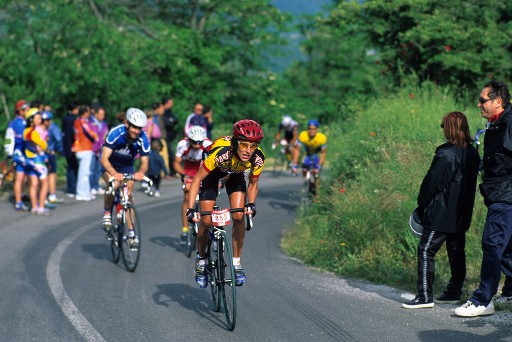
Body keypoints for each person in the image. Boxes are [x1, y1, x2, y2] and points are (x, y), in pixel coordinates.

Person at [402, 111, 480, 309]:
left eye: (444, 125)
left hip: (441, 214)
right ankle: (454, 292)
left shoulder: (446, 154)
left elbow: (432, 184)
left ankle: (425, 296)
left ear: (450, 128)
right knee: (456, 252)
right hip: (461, 214)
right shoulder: (472, 153)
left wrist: (421, 204)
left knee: (426, 250)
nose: (442, 129)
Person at [454, 80, 512, 317]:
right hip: (499, 193)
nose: (478, 104)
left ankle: (482, 300)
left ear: (498, 101)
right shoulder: (496, 124)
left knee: (492, 243)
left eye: (482, 100)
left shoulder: (509, 122)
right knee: (507, 250)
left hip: (506, 195)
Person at [187, 119, 264, 288]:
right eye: (244, 145)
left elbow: (253, 183)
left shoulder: (258, 158)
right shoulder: (221, 152)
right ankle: (201, 261)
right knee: (206, 221)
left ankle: (236, 264)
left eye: (253, 146)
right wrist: (191, 209)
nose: (248, 151)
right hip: (212, 174)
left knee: (238, 215)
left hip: (235, 174)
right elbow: (197, 180)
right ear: (236, 142)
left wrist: (251, 203)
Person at [100, 108, 150, 248]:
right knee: (114, 185)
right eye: (134, 127)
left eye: (140, 128)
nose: (137, 131)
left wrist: (140, 172)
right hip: (109, 164)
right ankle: (106, 213)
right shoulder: (116, 133)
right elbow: (104, 159)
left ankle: (131, 232)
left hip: (126, 166)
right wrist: (113, 173)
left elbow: (145, 163)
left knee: (128, 195)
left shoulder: (143, 138)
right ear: (127, 124)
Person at [173, 125, 212, 245]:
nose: (196, 145)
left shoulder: (208, 145)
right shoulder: (182, 145)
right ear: (189, 140)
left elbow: (213, 165)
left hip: (203, 169)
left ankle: (208, 226)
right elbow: (176, 163)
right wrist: (182, 174)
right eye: (194, 142)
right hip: (189, 171)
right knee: (187, 196)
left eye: (199, 142)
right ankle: (185, 230)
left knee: (208, 197)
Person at [4, 99, 30, 211]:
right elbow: (8, 140)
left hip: (25, 154)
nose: (28, 111)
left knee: (23, 177)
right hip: (16, 154)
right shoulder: (15, 123)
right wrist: (9, 155)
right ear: (20, 111)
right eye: (26, 109)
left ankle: (21, 194)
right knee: (18, 177)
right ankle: (18, 201)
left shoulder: (26, 122)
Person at [23, 108, 50, 215]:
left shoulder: (25, 131)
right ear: (31, 120)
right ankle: (41, 207)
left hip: (28, 160)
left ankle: (34, 207)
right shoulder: (33, 132)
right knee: (44, 183)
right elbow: (43, 145)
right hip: (38, 160)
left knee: (33, 184)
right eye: (38, 118)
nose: (40, 120)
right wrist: (44, 143)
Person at [291, 119, 327, 192]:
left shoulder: (322, 138)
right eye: (309, 128)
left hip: (317, 155)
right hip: (308, 154)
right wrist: (294, 164)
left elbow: (323, 153)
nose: (311, 131)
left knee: (315, 173)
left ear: (317, 129)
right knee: (304, 169)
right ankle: (307, 182)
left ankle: (317, 195)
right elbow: (297, 150)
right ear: (307, 129)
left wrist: (319, 165)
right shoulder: (303, 135)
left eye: (314, 129)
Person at [72, 105, 98, 201]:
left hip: (80, 148)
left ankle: (85, 192)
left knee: (84, 172)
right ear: (85, 113)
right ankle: (81, 193)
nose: (89, 113)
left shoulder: (77, 121)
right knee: (84, 172)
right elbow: (90, 133)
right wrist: (95, 136)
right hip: (84, 148)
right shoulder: (81, 121)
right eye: (88, 112)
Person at [41, 110, 64, 204]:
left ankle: (47, 195)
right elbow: (58, 139)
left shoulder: (40, 128)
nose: (45, 122)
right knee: (51, 174)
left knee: (47, 174)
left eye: (46, 120)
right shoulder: (53, 127)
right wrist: (59, 149)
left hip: (44, 153)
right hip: (50, 153)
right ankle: (51, 195)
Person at [90, 105, 109, 197]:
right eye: (101, 114)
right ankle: (91, 187)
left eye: (103, 114)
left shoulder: (104, 124)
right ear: (96, 114)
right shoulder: (90, 122)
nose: (102, 116)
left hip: (101, 149)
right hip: (92, 149)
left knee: (98, 169)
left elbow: (105, 135)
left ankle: (96, 186)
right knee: (91, 169)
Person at [62, 101, 80, 198]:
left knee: (70, 167)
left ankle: (71, 187)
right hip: (72, 146)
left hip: (66, 146)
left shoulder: (65, 118)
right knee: (74, 168)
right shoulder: (73, 120)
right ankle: (73, 188)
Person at [161, 97, 179, 177]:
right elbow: (167, 123)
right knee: (169, 155)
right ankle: (170, 172)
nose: (172, 105)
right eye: (170, 103)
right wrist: (170, 121)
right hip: (165, 137)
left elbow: (175, 119)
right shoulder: (162, 112)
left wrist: (171, 120)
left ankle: (171, 172)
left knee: (170, 154)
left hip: (170, 137)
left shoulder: (170, 112)